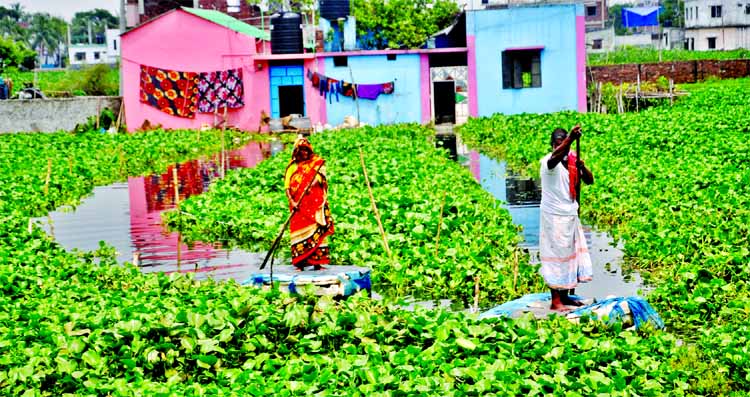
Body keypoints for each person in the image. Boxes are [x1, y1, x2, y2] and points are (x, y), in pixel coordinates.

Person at [539, 125, 595, 311]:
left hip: (570, 215)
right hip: (554, 217)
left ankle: (565, 297)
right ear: (552, 144)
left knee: (570, 257)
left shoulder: (571, 161)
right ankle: (556, 302)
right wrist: (570, 139)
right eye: (558, 143)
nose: (560, 147)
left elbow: (589, 180)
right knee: (556, 256)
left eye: (563, 142)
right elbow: (555, 157)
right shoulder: (548, 161)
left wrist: (582, 167)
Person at [284, 136, 334, 271]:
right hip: (298, 208)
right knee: (299, 233)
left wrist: (311, 184)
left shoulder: (316, 164)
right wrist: (292, 202)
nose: (304, 153)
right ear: (296, 152)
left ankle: (317, 263)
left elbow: (321, 179)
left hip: (314, 206)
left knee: (317, 231)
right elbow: (287, 187)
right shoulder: (292, 167)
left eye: (306, 150)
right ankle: (300, 264)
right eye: (301, 151)